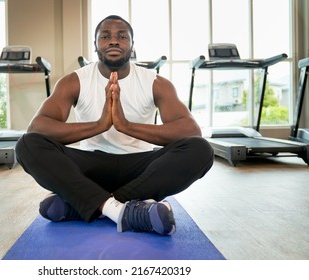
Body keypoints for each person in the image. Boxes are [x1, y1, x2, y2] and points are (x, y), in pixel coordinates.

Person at [15, 15, 214, 236]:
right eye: (105, 36)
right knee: (27, 144)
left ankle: (86, 204)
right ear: (96, 44)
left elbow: (191, 131)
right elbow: (38, 128)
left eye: (122, 36)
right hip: (90, 169)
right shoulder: (74, 81)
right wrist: (100, 125)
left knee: (201, 150)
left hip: (141, 171)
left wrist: (126, 126)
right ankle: (123, 209)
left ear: (131, 44)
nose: (113, 41)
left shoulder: (156, 83)